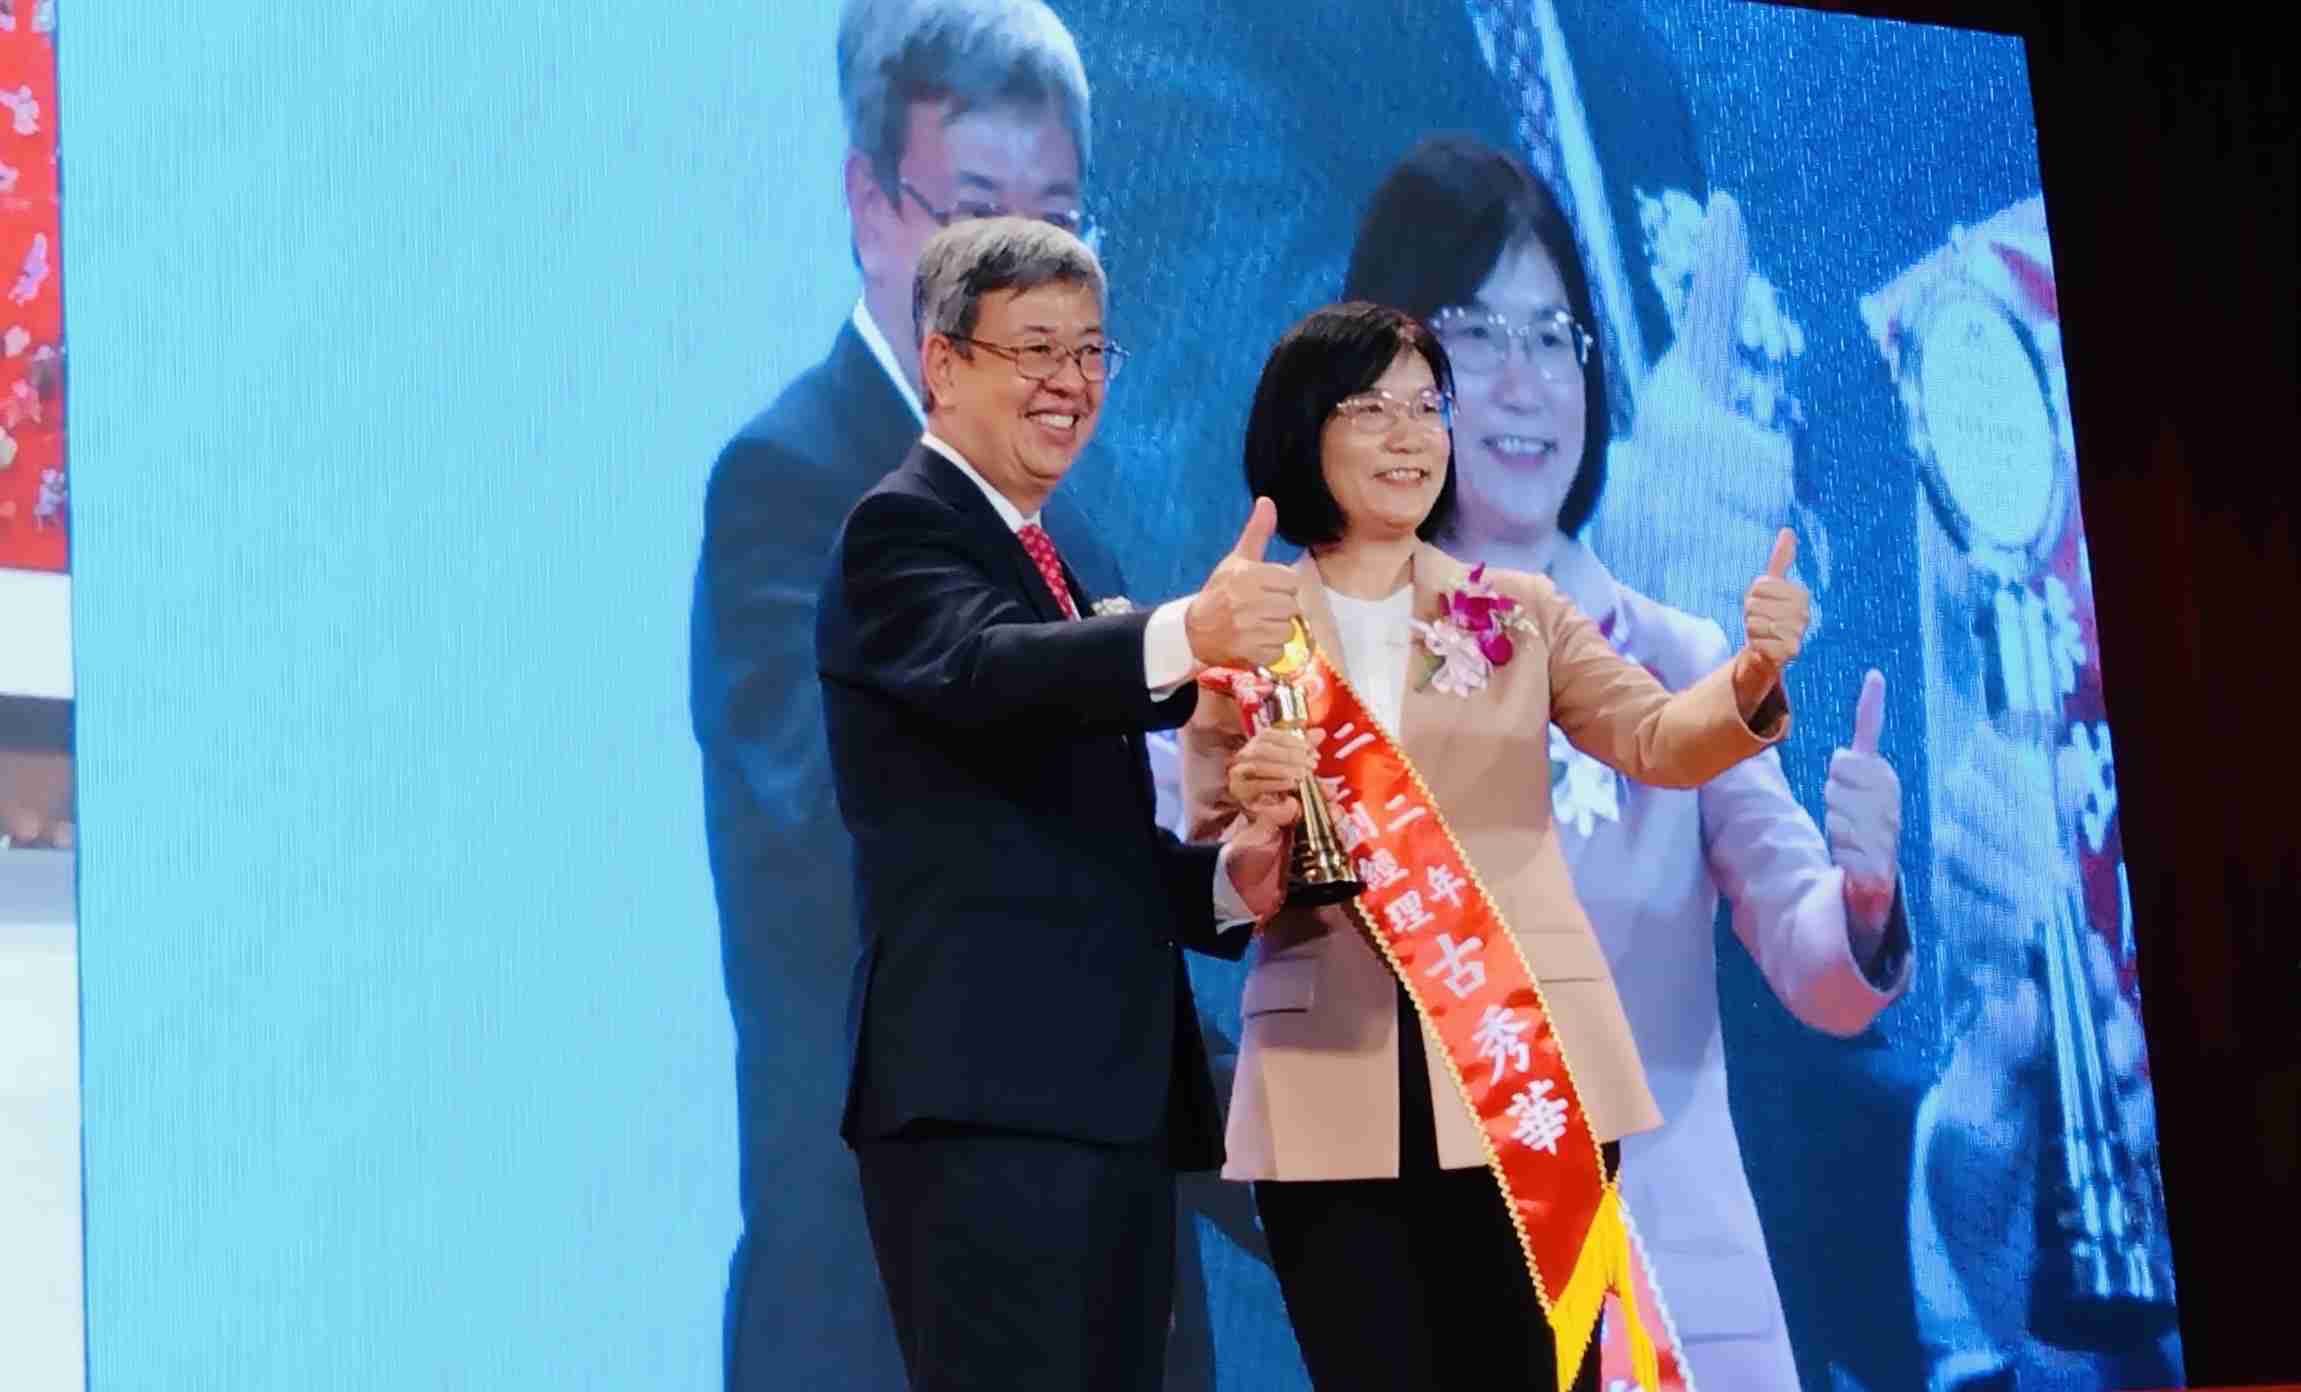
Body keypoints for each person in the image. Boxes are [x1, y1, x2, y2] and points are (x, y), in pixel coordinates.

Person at [1332, 133, 1914, 1389]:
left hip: (1680, 1307)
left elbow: (1810, 953)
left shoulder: (1680, 655)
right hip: (1454, 1294)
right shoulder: (1340, 669)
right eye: (1475, 337)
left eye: (1554, 338)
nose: (1525, 382)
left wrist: (1865, 898)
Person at [1181, 299, 1813, 1392]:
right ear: (1301, 429)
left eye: (1427, 408)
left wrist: (1750, 677)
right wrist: (1260, 832)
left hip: (1523, 1070)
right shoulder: (1241, 629)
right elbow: (1215, 881)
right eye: (1371, 409)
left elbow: (1658, 737)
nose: (1410, 436)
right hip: (1328, 1089)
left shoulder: (1516, 613)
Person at [815, 216, 1306, 1392]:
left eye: (1090, 353)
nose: (1071, 383)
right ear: (943, 363)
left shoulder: (1050, 554)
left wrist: (1229, 881)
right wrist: (1191, 631)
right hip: (989, 1105)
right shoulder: (899, 529)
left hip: (1107, 1110)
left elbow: (1071, 833)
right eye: (1035, 349)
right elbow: (990, 670)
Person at [687, 3, 1096, 1386]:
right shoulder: (787, 489)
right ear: (870, 206)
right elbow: (824, 838)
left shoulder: (1082, 547)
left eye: (1055, 222)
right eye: (974, 215)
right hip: (886, 1302)